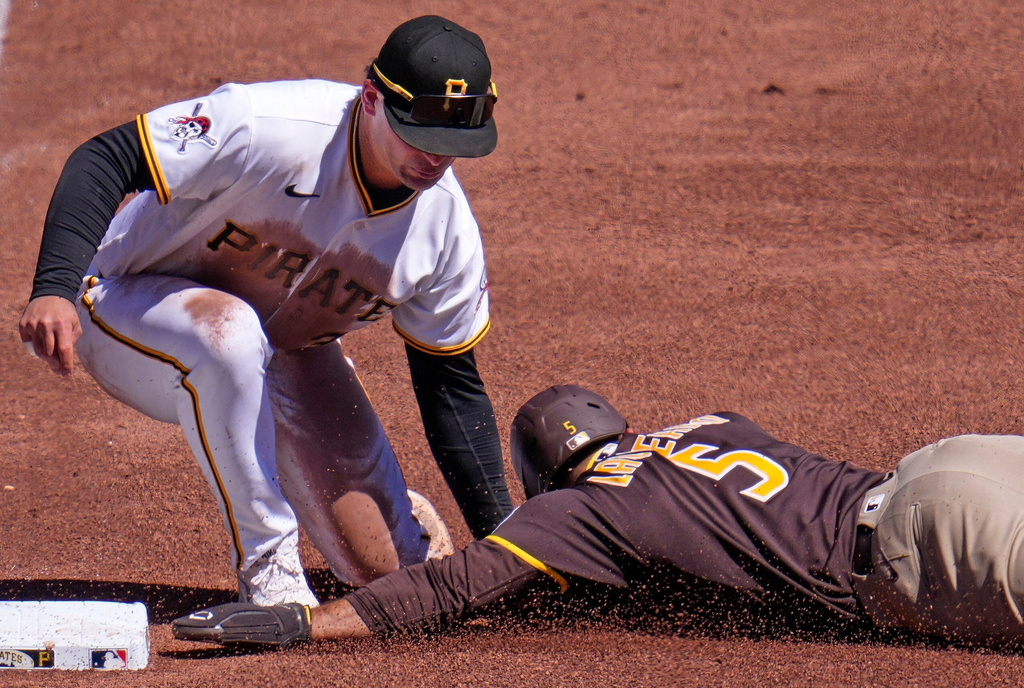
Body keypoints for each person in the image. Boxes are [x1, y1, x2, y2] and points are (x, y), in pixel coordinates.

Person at [18, 15, 514, 608]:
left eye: (454, 146)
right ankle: (269, 565)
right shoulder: (269, 127)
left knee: (388, 572)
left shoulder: (445, 231)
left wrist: (508, 547)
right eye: (421, 135)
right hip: (127, 302)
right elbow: (106, 158)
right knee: (228, 334)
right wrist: (53, 285)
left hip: (290, 348)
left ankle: (408, 526)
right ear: (373, 99)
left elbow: (451, 389)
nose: (436, 160)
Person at [173, 384, 1024, 649]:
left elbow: (447, 594)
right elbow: (702, 534)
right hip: (952, 465)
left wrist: (300, 623)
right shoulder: (714, 427)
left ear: (546, 477)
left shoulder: (585, 508)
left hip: (934, 548)